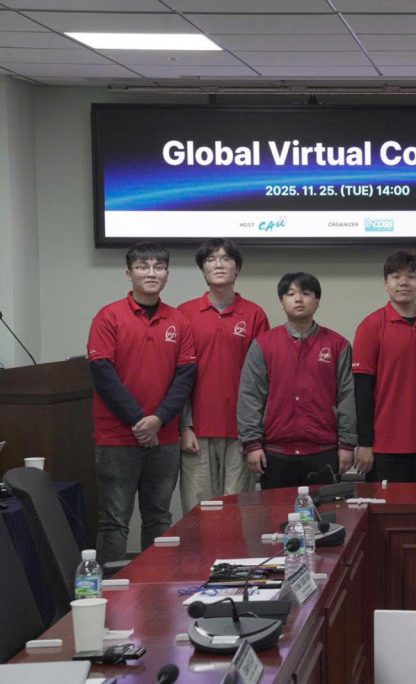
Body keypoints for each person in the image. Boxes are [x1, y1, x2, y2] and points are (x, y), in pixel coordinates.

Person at [86, 242, 196, 564]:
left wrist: (158, 420)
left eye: (158, 267)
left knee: (159, 518)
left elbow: (185, 377)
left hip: (164, 438)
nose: (151, 273)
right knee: (114, 521)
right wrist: (139, 421)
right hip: (117, 439)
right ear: (129, 273)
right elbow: (102, 373)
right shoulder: (108, 317)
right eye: (142, 266)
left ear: (167, 274)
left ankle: (156, 586)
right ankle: (110, 587)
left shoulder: (179, 320)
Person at [237, 272, 357, 489]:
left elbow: (347, 397)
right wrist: (252, 444)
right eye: (291, 294)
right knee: (276, 510)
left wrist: (347, 444)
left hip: (323, 451)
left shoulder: (338, 345)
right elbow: (250, 396)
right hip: (275, 453)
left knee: (326, 510)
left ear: (317, 301)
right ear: (281, 302)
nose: (298, 299)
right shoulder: (263, 345)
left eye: (306, 293)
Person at [177, 238, 269, 511]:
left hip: (240, 431)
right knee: (199, 512)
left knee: (238, 512)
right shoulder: (184, 313)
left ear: (237, 268)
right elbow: (177, 377)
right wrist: (184, 427)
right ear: (202, 269)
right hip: (197, 431)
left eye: (226, 259)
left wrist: (253, 434)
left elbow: (263, 379)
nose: (218, 265)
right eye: (211, 259)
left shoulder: (254, 314)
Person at [352, 250, 416, 483]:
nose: (404, 282)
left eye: (411, 276)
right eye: (396, 276)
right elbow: (362, 390)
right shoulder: (370, 326)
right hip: (384, 446)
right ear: (386, 284)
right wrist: (365, 442)